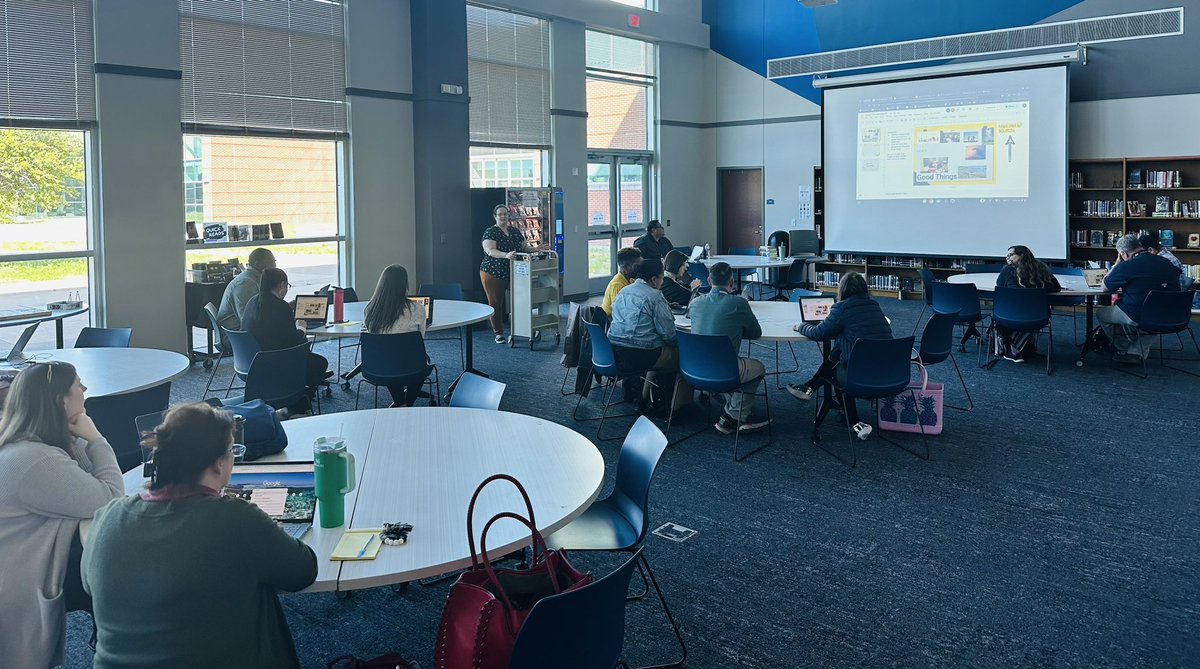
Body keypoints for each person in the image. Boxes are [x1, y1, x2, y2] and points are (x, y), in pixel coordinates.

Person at [81, 403, 318, 668]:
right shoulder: (236, 518)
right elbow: (303, 570)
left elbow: (89, 584)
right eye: (231, 450)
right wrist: (267, 531)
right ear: (219, 464)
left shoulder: (108, 516)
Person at [0, 362, 123, 667]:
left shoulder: (28, 443)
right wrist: (96, 440)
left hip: (20, 563)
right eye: (78, 386)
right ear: (60, 401)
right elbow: (110, 500)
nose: (85, 390)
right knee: (115, 568)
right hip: (16, 584)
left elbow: (84, 479)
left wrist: (73, 438)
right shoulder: (35, 460)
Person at [786, 272, 892, 440]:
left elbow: (818, 333)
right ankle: (808, 387)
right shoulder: (874, 305)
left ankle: (854, 423)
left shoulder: (842, 308)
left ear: (842, 290)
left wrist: (800, 326)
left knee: (836, 372)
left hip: (860, 376)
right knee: (842, 341)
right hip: (887, 374)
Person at [686, 262, 770, 434]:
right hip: (724, 369)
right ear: (732, 283)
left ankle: (726, 396)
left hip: (693, 369)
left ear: (709, 281)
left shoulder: (695, 303)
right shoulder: (738, 304)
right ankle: (734, 417)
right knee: (758, 368)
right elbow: (755, 332)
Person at [240, 267, 331, 412]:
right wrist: (301, 328)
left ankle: (296, 393)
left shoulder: (253, 302)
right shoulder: (280, 308)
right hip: (277, 363)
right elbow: (296, 344)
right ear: (281, 285)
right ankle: (298, 401)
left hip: (252, 363)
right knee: (320, 363)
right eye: (287, 286)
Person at [1097, 234, 1182, 362]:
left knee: (1101, 313)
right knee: (1154, 317)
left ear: (1124, 254)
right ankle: (1137, 351)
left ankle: (1124, 349)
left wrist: (1117, 264)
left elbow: (1105, 287)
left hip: (1139, 314)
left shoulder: (1127, 266)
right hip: (1170, 314)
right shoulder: (1167, 262)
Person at [608, 258, 680, 408]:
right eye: (661, 279)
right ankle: (669, 405)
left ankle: (641, 394)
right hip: (641, 355)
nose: (662, 283)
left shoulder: (623, 291)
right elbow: (669, 335)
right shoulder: (655, 296)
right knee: (680, 356)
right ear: (654, 279)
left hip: (614, 352)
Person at [363, 264, 428, 407]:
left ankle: (400, 401)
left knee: (389, 355)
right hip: (411, 365)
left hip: (379, 366)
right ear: (405, 284)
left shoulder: (370, 309)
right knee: (421, 358)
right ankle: (408, 403)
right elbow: (420, 339)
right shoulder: (417, 309)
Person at [994, 245, 1062, 363]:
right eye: (1007, 256)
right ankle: (1022, 347)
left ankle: (1014, 349)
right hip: (1037, 316)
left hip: (1009, 316)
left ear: (1022, 255)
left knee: (1000, 311)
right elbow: (1056, 287)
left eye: (1011, 255)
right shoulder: (1040, 269)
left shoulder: (1008, 270)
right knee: (1023, 310)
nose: (1007, 258)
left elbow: (999, 286)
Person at [479, 204, 534, 344]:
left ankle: (524, 328)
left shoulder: (514, 231)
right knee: (496, 302)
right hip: (492, 271)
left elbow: (523, 247)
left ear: (509, 216)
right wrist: (506, 255)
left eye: (505, 214)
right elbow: (490, 250)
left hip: (514, 271)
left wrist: (536, 249)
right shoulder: (490, 232)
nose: (503, 217)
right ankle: (498, 333)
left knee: (522, 297)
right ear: (495, 216)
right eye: (500, 214)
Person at [216, 247, 276, 332]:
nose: (275, 266)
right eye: (272, 263)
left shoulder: (253, 279)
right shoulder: (245, 284)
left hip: (239, 333)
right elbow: (248, 320)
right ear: (258, 265)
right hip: (237, 336)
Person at [601, 247, 643, 317]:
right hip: (610, 322)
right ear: (626, 267)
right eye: (637, 266)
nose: (639, 268)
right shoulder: (618, 286)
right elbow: (620, 313)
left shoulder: (630, 280)